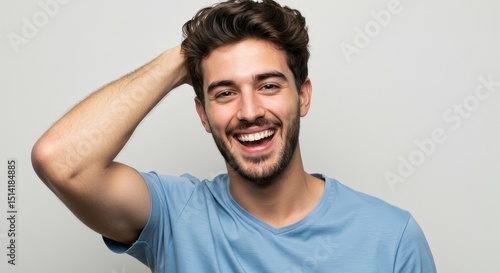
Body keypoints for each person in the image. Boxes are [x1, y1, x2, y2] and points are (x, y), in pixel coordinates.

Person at [31, 0, 436, 272]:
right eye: (224, 93)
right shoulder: (175, 217)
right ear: (203, 114)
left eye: (270, 85)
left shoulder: (391, 237)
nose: (249, 111)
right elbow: (61, 160)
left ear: (304, 97)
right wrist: (188, 55)